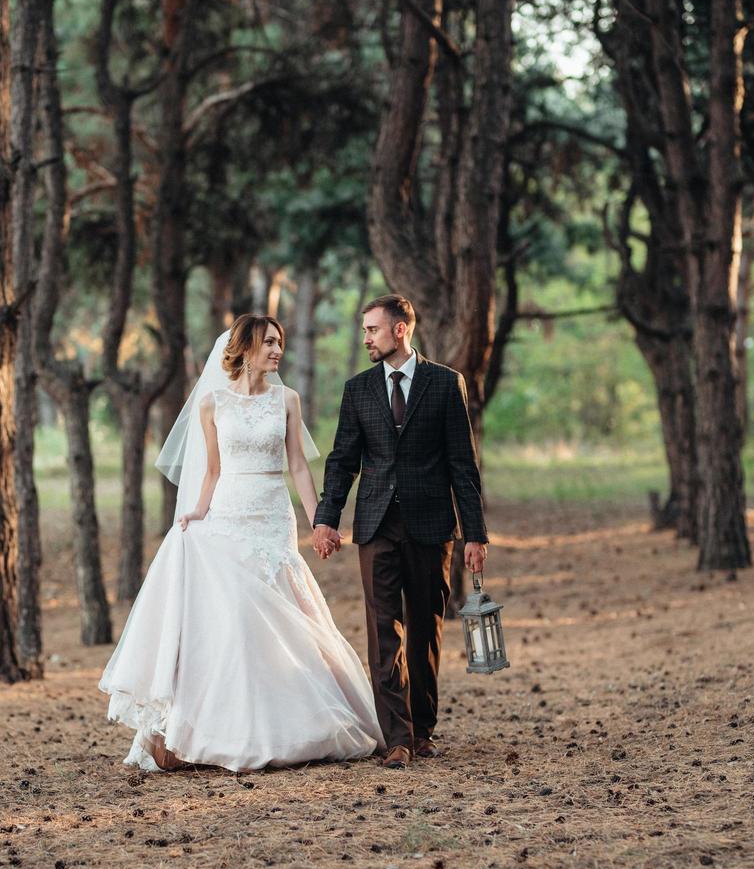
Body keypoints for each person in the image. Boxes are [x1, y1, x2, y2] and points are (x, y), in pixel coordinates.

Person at [99, 314, 383, 772]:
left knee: (287, 612)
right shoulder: (212, 404)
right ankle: (222, 730)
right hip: (228, 514)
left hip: (272, 516)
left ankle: (297, 722)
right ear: (246, 347)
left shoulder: (287, 400)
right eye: (269, 342)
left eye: (280, 343)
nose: (277, 351)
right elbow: (212, 471)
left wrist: (319, 521)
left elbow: (297, 465)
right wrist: (196, 510)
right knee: (232, 619)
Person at [311, 294, 488, 769]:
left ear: (400, 330)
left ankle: (423, 728)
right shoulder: (358, 390)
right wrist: (327, 517)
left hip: (433, 528)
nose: (366, 337)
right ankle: (398, 738)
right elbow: (342, 461)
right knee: (381, 628)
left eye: (372, 329)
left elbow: (462, 464)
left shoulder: (446, 383)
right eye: (365, 330)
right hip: (375, 526)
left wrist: (475, 534)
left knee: (425, 631)